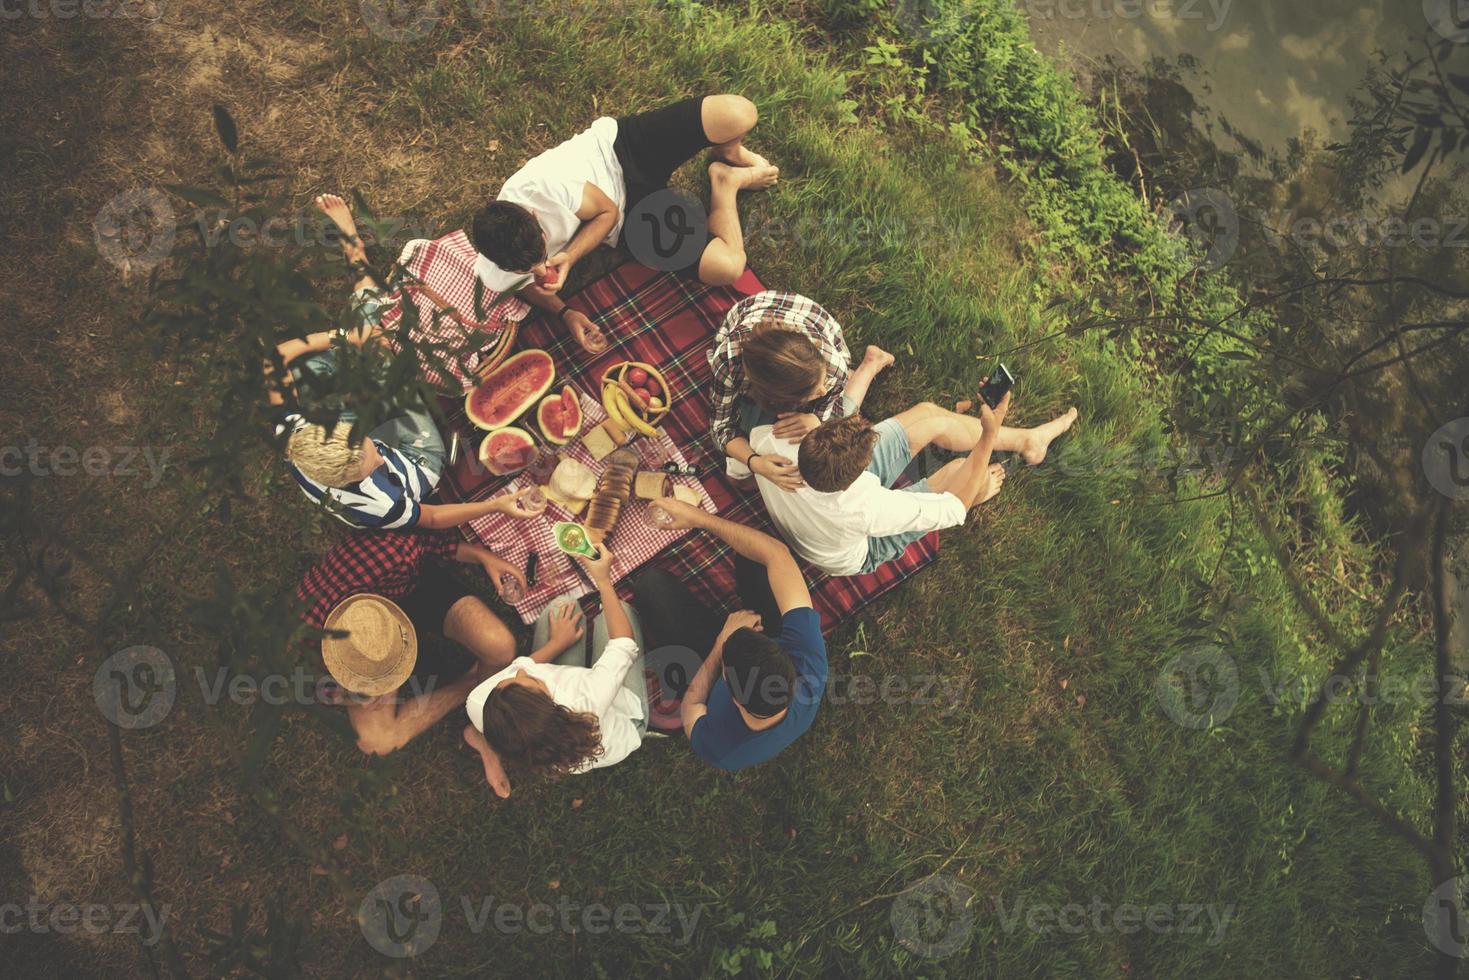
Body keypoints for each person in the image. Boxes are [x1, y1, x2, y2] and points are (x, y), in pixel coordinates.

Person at [267, 194, 547, 531]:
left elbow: (275, 358)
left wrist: (346, 337)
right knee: (375, 334)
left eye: (369, 446)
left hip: (349, 416)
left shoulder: (294, 432)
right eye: (373, 460)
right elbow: (431, 517)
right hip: (418, 455)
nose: (378, 456)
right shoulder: (382, 505)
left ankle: (352, 252)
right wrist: (497, 505)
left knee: (319, 359)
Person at [469, 94, 779, 354]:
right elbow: (520, 285)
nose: (541, 271)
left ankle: (728, 150)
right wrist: (566, 313)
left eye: (541, 258)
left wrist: (571, 256)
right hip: (631, 217)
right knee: (728, 267)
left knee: (739, 113)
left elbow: (605, 212)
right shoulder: (495, 268)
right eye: (528, 270)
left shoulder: (544, 187)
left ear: (535, 217)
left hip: (621, 150)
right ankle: (725, 182)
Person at [750, 391, 1079, 577]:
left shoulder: (772, 440)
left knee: (928, 414)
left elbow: (738, 458)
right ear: (860, 477)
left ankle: (1027, 441)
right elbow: (954, 509)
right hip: (854, 551)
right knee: (959, 473)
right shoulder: (867, 508)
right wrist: (988, 435)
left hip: (818, 506)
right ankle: (1000, 460)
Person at [296, 528, 527, 764]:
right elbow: (309, 685)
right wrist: (350, 696)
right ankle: (471, 682)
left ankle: (479, 683)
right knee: (377, 741)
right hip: (372, 644)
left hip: (413, 589)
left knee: (501, 648)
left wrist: (484, 557)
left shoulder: (388, 556)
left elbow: (429, 538)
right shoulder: (303, 638)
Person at [629, 498, 827, 771]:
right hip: (746, 647)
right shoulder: (809, 666)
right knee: (758, 553)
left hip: (710, 658)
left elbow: (692, 706)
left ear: (730, 693)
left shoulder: (722, 748)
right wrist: (698, 518)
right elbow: (777, 554)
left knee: (651, 588)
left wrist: (721, 643)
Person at [463, 546, 648, 794]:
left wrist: (557, 643)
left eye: (504, 683)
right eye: (531, 681)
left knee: (561, 606)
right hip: (620, 722)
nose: (519, 671)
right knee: (617, 614)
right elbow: (624, 644)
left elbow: (522, 666)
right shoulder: (588, 699)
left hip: (573, 711)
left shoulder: (480, 704)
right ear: (550, 701)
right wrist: (603, 580)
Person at [708, 290, 894, 486]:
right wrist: (754, 462)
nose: (822, 392)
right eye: (813, 392)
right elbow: (721, 427)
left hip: (812, 321)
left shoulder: (831, 365)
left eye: (821, 384)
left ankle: (871, 364)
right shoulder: (727, 362)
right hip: (754, 337)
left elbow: (827, 400)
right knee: (738, 479)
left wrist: (816, 418)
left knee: (834, 422)